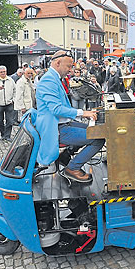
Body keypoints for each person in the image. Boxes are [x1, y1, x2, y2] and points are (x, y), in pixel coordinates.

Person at [35, 50, 105, 183]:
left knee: (96, 130)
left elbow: (64, 105)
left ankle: (65, 156)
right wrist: (82, 112)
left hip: (63, 124)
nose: (70, 70)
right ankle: (72, 168)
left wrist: (84, 113)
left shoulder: (54, 78)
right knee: (98, 139)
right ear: (57, 63)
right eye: (68, 66)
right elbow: (56, 109)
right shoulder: (48, 81)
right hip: (55, 128)